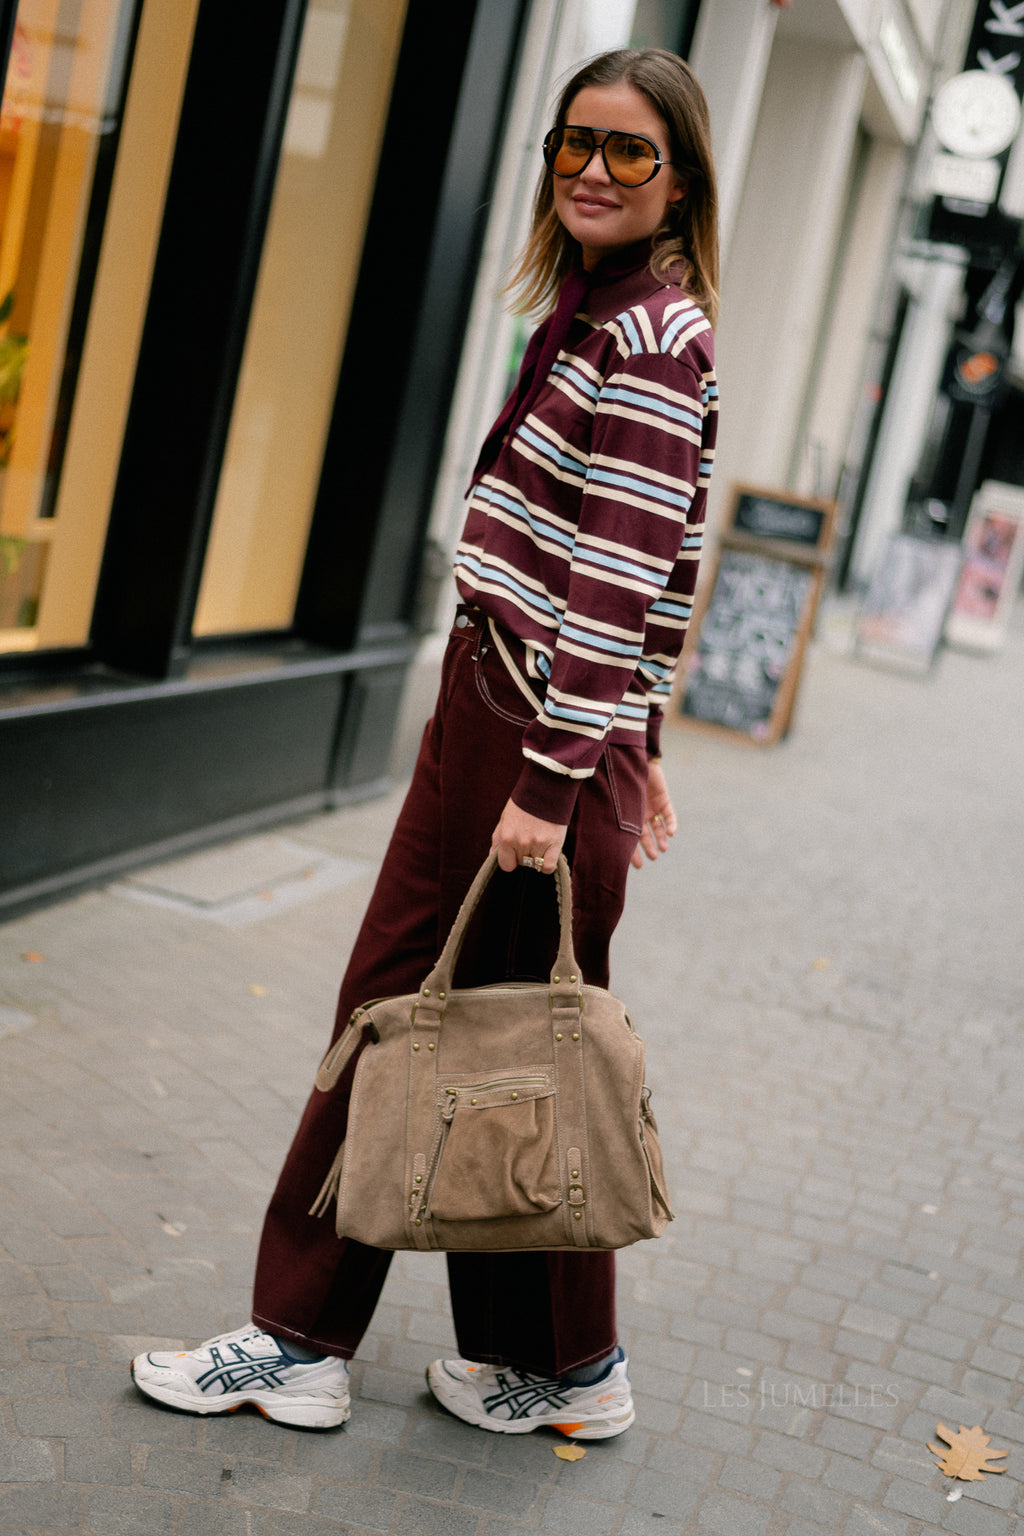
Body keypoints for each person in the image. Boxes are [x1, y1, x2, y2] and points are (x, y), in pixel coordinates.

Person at [130, 45, 719, 1441]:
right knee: (501, 1038)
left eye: (629, 152)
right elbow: (650, 563)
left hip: (526, 736)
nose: (592, 169)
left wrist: (561, 776)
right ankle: (552, 1365)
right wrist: (635, 745)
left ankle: (309, 1340)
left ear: (680, 181)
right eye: (576, 142)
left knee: (419, 1021)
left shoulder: (645, 340)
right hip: (513, 720)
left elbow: (623, 577)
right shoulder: (602, 313)